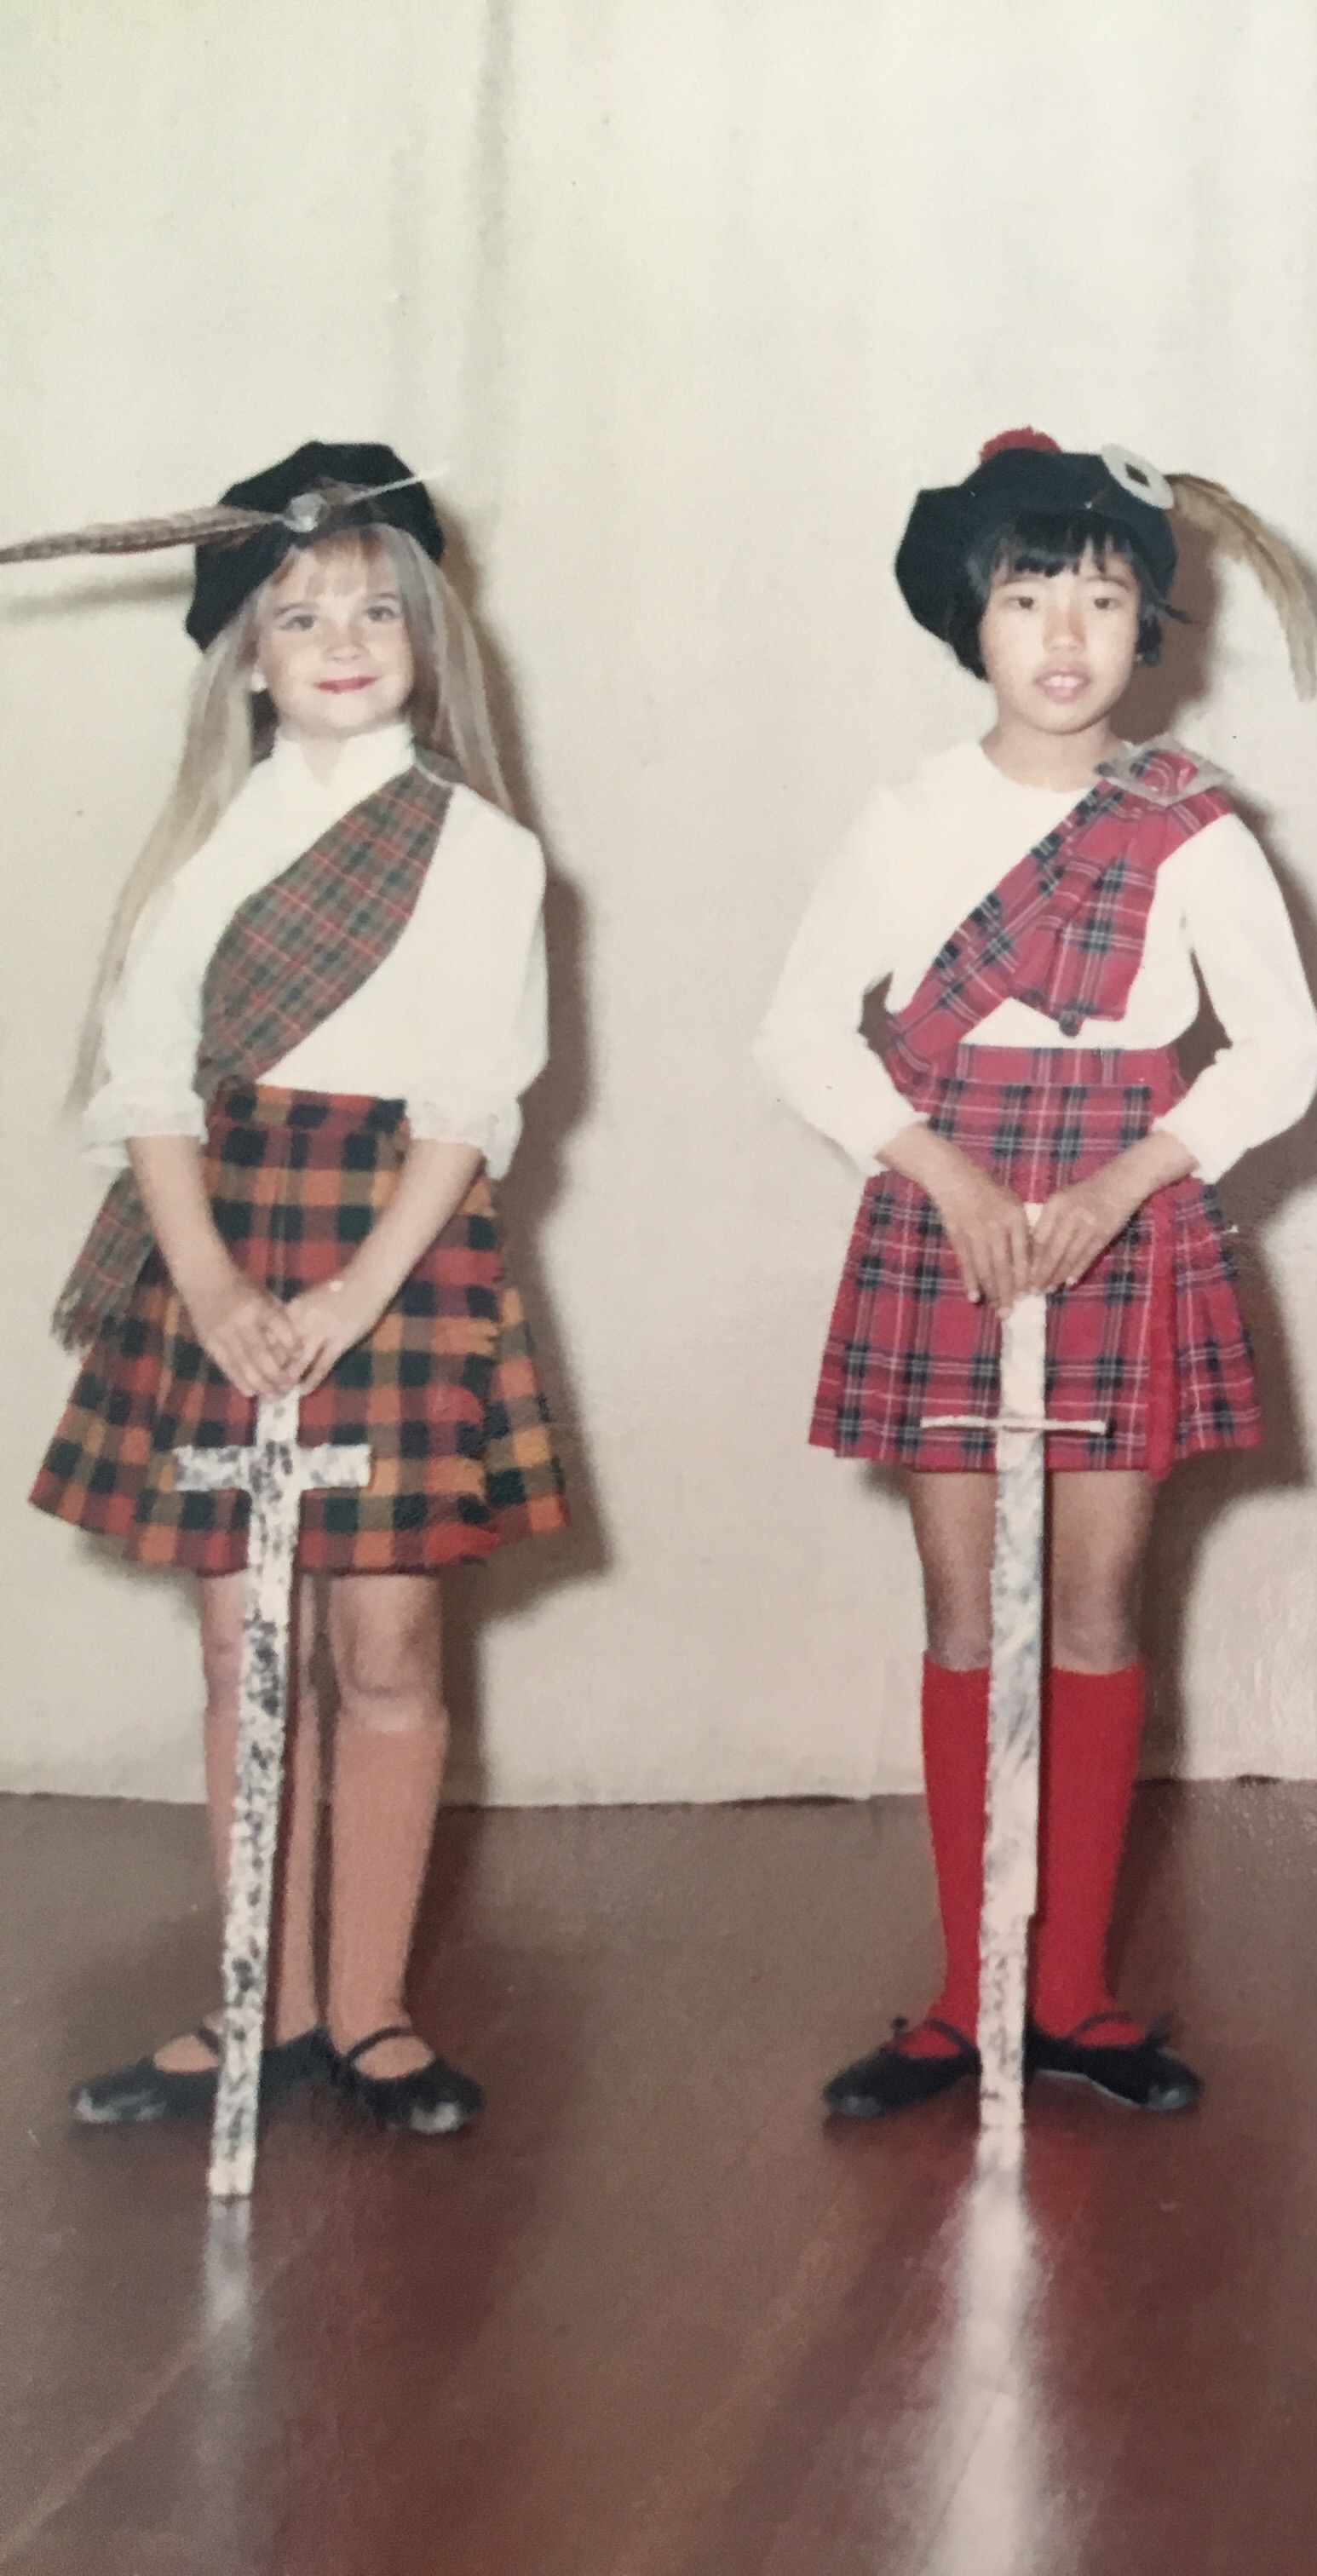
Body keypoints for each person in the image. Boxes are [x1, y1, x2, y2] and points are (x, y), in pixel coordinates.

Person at [757, 432, 1317, 2120]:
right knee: (963, 1607)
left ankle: (1071, 1991)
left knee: (1091, 1601)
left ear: (1150, 621)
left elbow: (1283, 1049)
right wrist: (937, 1172)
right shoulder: (913, 818)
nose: (1066, 632)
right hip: (950, 1212)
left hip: (1123, 1214)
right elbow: (801, 1026)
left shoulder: (1191, 827)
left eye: (1102, 595)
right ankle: (964, 1991)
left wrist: (1131, 1181)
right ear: (971, 615)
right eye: (1028, 595)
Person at [26, 443, 566, 2136]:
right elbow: (152, 1091)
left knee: (385, 1636)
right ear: (246, 655)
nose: (343, 638)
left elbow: (471, 1107)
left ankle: (370, 2010)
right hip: (224, 1239)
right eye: (300, 612)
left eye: (378, 609)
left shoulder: (480, 851)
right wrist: (204, 1282)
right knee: (242, 1651)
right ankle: (250, 1999)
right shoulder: (201, 851)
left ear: (430, 635)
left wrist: (349, 1299)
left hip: (396, 1251)